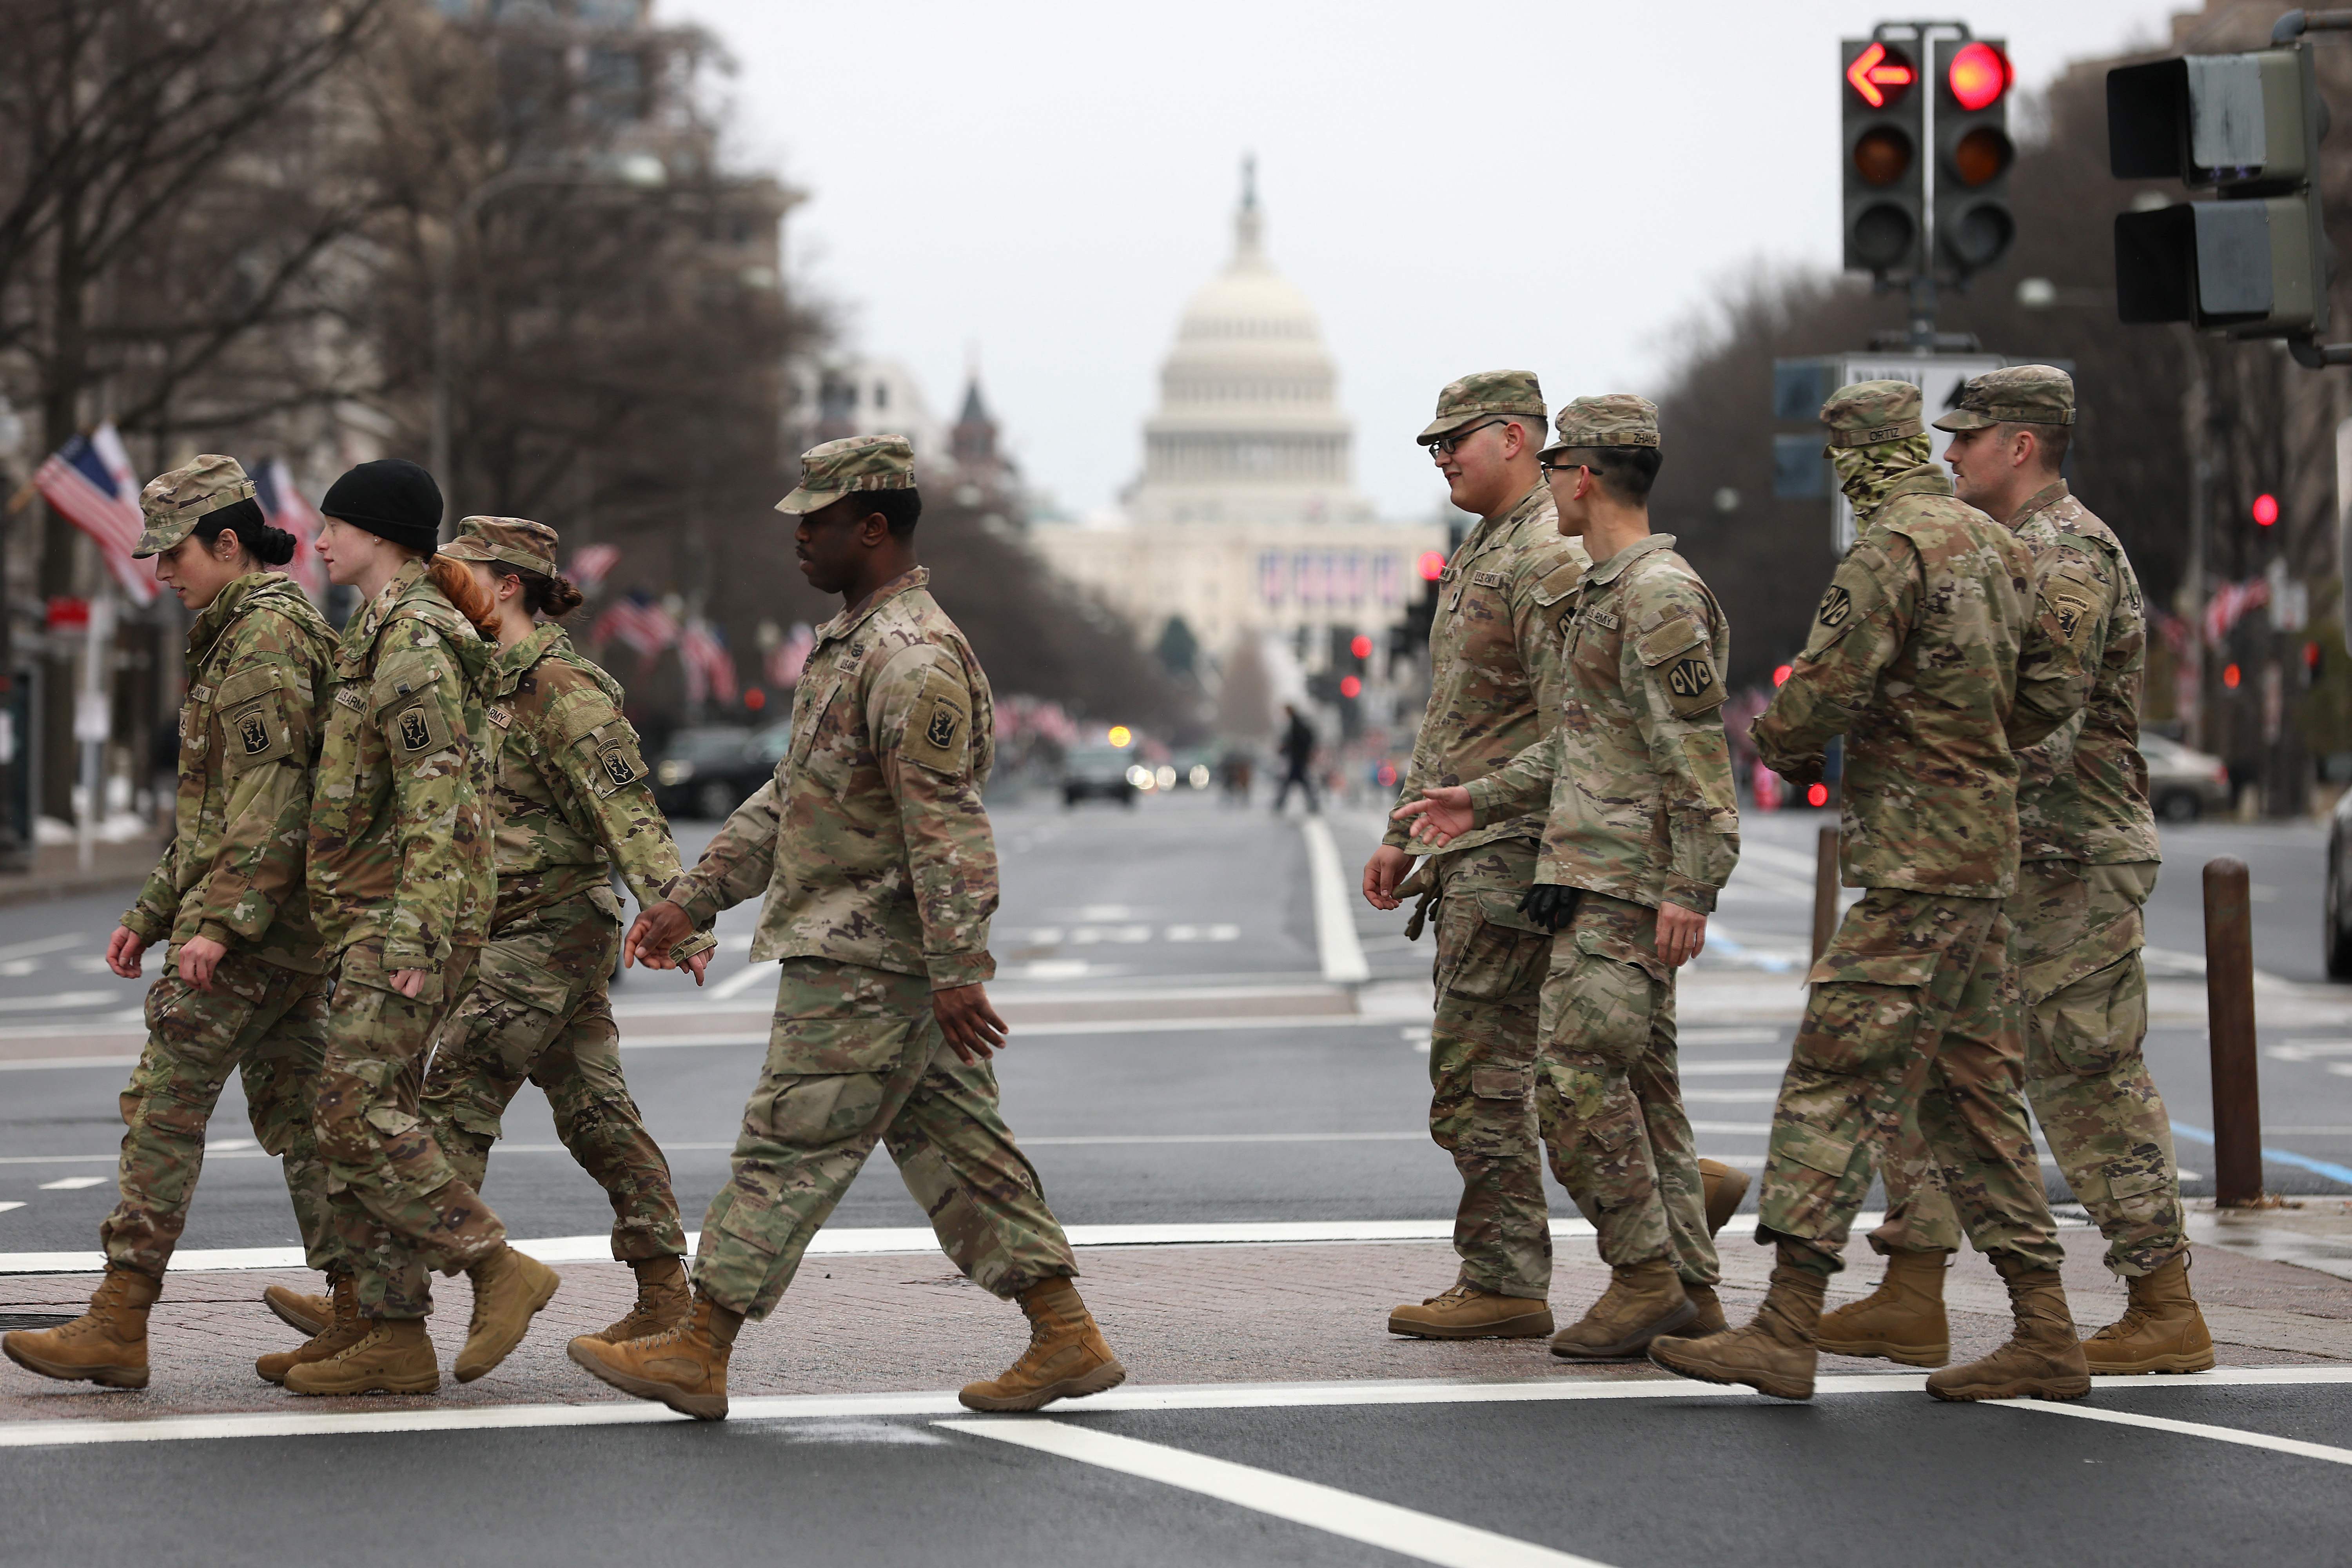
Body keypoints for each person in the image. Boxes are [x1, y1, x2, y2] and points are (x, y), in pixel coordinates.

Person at [573, 435, 1124, 1421]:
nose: (798, 537)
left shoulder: (910, 659)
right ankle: (1065, 1332)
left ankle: (701, 1347)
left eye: (816, 520)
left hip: (870, 953)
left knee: (784, 1144)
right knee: (960, 1145)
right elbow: (792, 800)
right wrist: (689, 899)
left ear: (872, 528)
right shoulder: (853, 647)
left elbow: (946, 826)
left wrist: (958, 968)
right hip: (873, 950)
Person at [1649, 381, 2088, 1404]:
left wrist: (1780, 737)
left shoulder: (1894, 549)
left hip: (1917, 865)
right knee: (1975, 1101)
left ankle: (1787, 1325)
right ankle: (2048, 1330)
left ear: (1857, 463)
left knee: (1833, 1075)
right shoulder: (2000, 546)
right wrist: (1976, 745)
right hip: (1984, 857)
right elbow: (2054, 692)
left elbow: (1830, 687)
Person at [1815, 367, 2210, 1375]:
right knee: (1937, 1070)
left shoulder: (2068, 556)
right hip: (1995, 854)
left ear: (2021, 445)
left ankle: (2164, 1301)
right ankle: (1912, 1290)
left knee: (2086, 1074)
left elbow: (2044, 716)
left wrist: (1935, 770)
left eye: (1968, 438)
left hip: (2069, 855)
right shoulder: (2000, 551)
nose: (1949, 455)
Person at [1364, 371, 1745, 1343]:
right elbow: (1480, 717)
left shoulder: (1558, 562)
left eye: (1455, 439)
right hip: (1534, 844)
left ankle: (1535, 1271)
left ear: (1525, 444)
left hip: (1548, 864)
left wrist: (1687, 883)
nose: (1441, 456)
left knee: (1506, 1075)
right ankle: (1681, 1269)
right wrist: (1421, 821)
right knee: (1615, 1076)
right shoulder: (1505, 550)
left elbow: (1646, 742)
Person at [2, 457, 341, 1391]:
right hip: (282, 923)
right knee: (302, 1115)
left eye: (175, 553)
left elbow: (271, 804)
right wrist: (150, 912)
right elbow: (215, 808)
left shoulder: (265, 639)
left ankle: (120, 1319)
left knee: (164, 1106)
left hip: (258, 927)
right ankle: (366, 1305)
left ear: (228, 542)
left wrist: (220, 926)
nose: (160, 574)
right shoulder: (243, 632)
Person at [407, 516, 718, 1347]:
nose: (446, 583)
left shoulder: (561, 684)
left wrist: (677, 914)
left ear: (508, 584)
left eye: (462, 571)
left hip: (549, 929)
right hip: (503, 926)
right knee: (595, 1113)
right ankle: (665, 1293)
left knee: (454, 1090)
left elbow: (627, 808)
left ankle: (384, 1303)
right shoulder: (479, 674)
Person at [285, 458, 559, 1397]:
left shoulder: (415, 640)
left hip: (404, 918)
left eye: (334, 525)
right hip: (370, 911)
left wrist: (415, 938)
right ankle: (391, 1332)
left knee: (350, 1107)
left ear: (382, 533)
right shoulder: (381, 627)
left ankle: (495, 1266)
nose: (319, 541)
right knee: (369, 1112)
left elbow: (440, 801)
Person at [1273, 703, 1319, 814]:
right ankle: (1312, 805)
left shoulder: (1296, 724)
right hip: (1299, 759)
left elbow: (1294, 742)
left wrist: (1285, 749)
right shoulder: (1298, 722)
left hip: (1298, 760)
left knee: (1292, 783)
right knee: (1302, 784)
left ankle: (1280, 805)